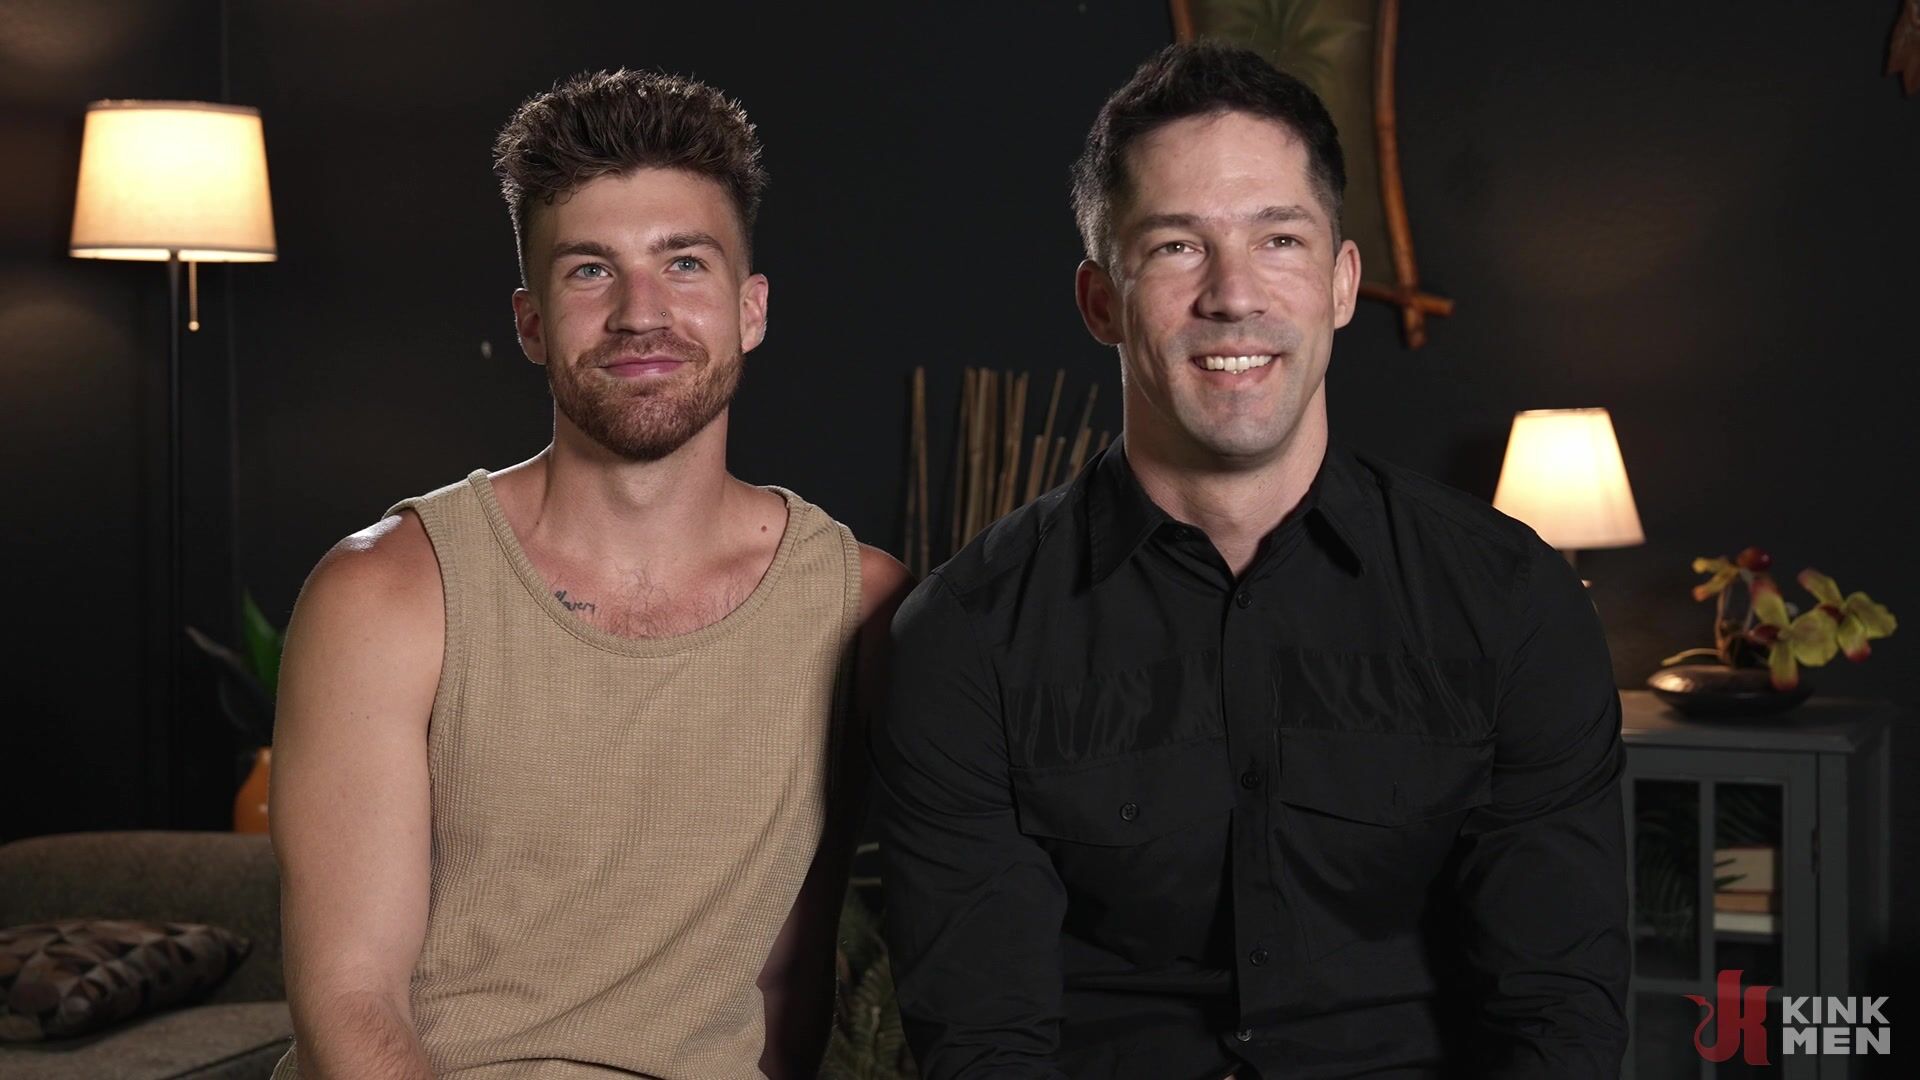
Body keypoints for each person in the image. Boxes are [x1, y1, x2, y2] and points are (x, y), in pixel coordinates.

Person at [875, 42, 1628, 1079]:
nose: (1233, 294)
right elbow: (985, 1048)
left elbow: (1558, 1018)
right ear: (1100, 301)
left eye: (1279, 238)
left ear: (1341, 283)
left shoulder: (1510, 602)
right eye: (1177, 246)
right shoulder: (967, 639)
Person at [270, 68, 909, 1080]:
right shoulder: (387, 594)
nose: (639, 314)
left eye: (684, 263)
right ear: (531, 323)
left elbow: (792, 983)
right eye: (589, 271)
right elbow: (352, 1005)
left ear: (751, 309)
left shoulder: (859, 605)